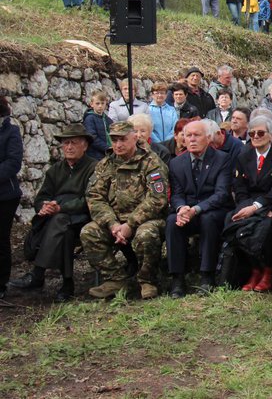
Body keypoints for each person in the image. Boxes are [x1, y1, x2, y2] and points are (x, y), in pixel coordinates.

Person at [8, 124, 96, 301]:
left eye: (73, 143)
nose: (69, 147)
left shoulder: (93, 167)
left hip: (81, 216)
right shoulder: (55, 170)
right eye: (65, 143)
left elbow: (90, 199)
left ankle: (38, 274)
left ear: (84, 145)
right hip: (59, 219)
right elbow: (42, 196)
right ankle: (67, 284)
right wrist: (44, 207)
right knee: (64, 231)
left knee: (61, 220)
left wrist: (61, 208)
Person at [80, 122, 168, 299]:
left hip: (145, 219)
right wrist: (112, 224)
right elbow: (94, 196)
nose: (118, 145)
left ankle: (147, 280)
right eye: (114, 140)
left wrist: (130, 224)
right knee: (89, 232)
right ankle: (115, 280)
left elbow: (157, 198)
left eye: (123, 140)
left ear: (135, 138)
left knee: (146, 234)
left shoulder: (151, 162)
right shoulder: (105, 164)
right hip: (115, 221)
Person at [166, 120, 232, 298]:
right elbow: (177, 193)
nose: (192, 139)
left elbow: (221, 194)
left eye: (197, 135)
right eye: (189, 136)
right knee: (172, 222)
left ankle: (206, 275)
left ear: (208, 138)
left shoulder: (222, 159)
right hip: (187, 210)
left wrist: (196, 209)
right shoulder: (176, 163)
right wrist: (181, 208)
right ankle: (177, 279)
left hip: (212, 209)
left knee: (208, 219)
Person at [225, 116, 272, 292]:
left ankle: (267, 269)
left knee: (264, 225)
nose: (256, 136)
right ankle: (254, 269)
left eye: (260, 133)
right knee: (233, 220)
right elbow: (239, 187)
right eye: (252, 133)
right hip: (248, 204)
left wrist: (258, 207)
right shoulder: (244, 156)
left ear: (271, 135)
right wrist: (247, 207)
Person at [0, 96, 23, 299]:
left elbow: (13, 163)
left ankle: (1, 283)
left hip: (5, 195)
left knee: (1, 239)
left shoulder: (11, 131)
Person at [83, 90, 112, 160]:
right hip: (94, 155)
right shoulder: (89, 119)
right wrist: (107, 148)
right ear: (92, 104)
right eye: (97, 103)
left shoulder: (108, 119)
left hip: (108, 154)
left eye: (102, 103)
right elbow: (92, 138)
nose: (100, 106)